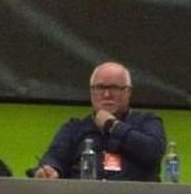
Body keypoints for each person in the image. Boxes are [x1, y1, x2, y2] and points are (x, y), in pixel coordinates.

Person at [34, 61, 167, 181]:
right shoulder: (74, 128)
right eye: (100, 88)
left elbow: (153, 152)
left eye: (114, 88)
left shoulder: (147, 122)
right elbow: (55, 157)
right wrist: (51, 169)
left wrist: (113, 125)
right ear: (91, 91)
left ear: (128, 91)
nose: (106, 95)